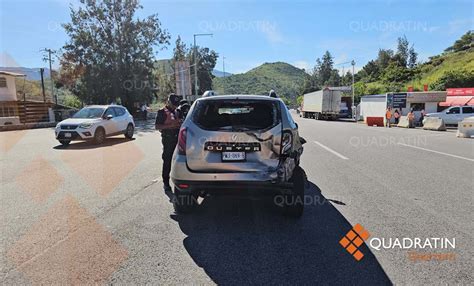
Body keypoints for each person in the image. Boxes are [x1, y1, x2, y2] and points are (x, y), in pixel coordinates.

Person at [155, 94, 182, 191]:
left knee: (179, 161)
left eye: (176, 104)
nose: (175, 106)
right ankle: (166, 183)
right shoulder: (162, 112)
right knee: (167, 161)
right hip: (168, 139)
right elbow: (157, 126)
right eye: (173, 104)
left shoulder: (178, 111)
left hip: (178, 139)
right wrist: (170, 126)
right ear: (168, 102)